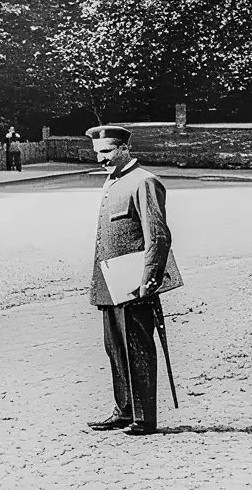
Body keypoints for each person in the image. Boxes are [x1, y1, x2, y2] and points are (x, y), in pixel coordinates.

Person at [85, 125, 182, 438]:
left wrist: (150, 278)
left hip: (133, 283)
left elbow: (158, 235)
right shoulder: (113, 181)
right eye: (97, 153)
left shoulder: (144, 181)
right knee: (115, 348)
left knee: (137, 348)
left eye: (106, 152)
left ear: (124, 149)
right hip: (111, 284)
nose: (100, 159)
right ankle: (124, 410)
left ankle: (144, 417)